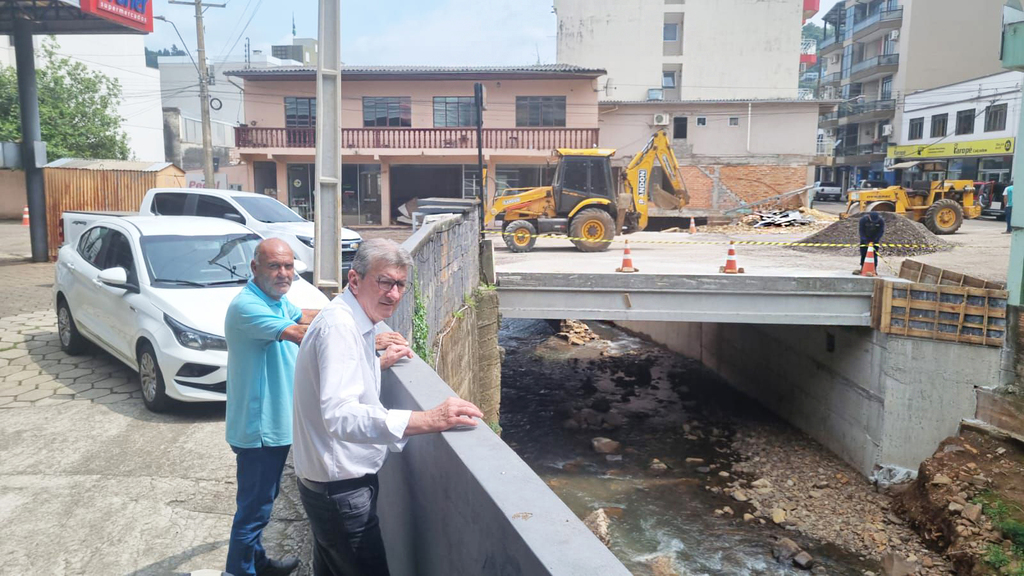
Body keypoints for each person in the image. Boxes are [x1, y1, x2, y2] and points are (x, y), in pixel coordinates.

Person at [292, 238, 484, 576]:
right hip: (340, 493)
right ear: (354, 280)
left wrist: (373, 364)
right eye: (384, 282)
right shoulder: (340, 328)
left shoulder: (348, 318)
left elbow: (332, 381)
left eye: (400, 285)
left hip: (326, 487)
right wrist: (429, 418)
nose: (393, 294)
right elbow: (340, 415)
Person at [224, 238, 318, 576]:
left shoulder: (274, 299)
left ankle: (258, 563)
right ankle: (237, 572)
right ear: (254, 269)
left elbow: (305, 314)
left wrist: (351, 311)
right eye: (274, 266)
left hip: (275, 428)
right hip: (259, 430)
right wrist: (369, 339)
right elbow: (299, 332)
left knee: (262, 503)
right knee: (253, 512)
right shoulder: (247, 306)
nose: (283, 273)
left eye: (289, 266)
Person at [856, 212, 885, 277]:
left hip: (874, 239)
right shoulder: (863, 220)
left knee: (874, 254)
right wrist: (865, 240)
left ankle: (874, 269)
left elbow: (881, 231)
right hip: (865, 239)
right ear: (869, 217)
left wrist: (876, 240)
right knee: (864, 253)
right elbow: (861, 231)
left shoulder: (880, 221)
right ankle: (862, 267)